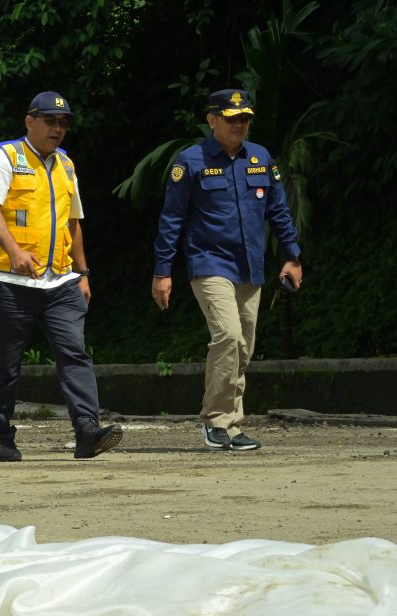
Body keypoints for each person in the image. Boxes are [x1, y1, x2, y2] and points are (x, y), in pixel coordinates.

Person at [152, 88, 302, 451]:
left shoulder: (260, 158)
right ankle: (216, 421)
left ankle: (232, 427)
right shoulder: (190, 161)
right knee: (228, 337)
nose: (241, 125)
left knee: (244, 348)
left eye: (245, 119)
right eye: (233, 118)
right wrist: (163, 271)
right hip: (209, 263)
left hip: (250, 265)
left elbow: (278, 212)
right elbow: (171, 219)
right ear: (212, 120)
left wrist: (292, 256)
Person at [0, 91, 122, 461]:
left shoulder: (66, 166)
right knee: (6, 363)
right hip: (11, 281)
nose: (58, 129)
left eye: (63, 123)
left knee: (75, 354)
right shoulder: (5, 157)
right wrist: (14, 251)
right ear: (30, 121)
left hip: (60, 282)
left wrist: (83, 272)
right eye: (50, 121)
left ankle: (87, 431)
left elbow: (73, 223)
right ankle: (2, 436)